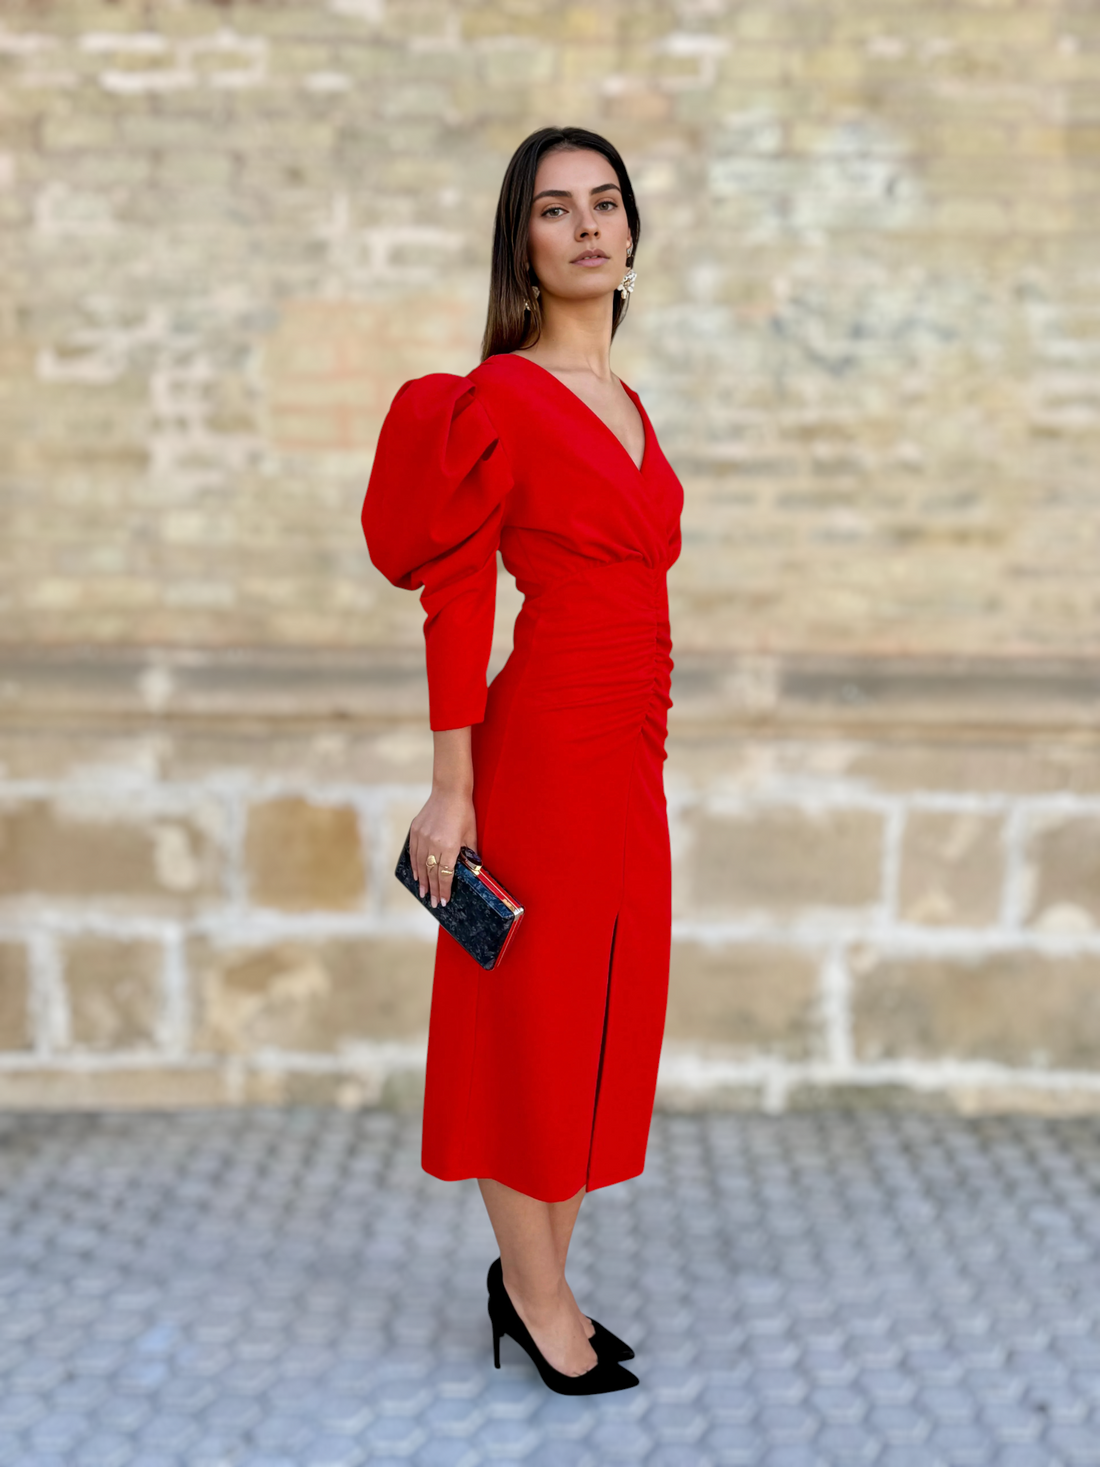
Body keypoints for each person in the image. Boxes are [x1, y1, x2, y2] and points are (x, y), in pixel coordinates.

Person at [362, 126, 683, 1395]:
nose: (586, 225)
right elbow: (454, 598)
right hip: (542, 746)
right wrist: (453, 785)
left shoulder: (629, 404)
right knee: (528, 1022)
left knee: (601, 1012)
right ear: (523, 243)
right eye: (555, 209)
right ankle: (539, 1300)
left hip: (632, 748)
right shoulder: (496, 399)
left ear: (629, 231)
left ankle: (539, 1279)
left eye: (604, 202)